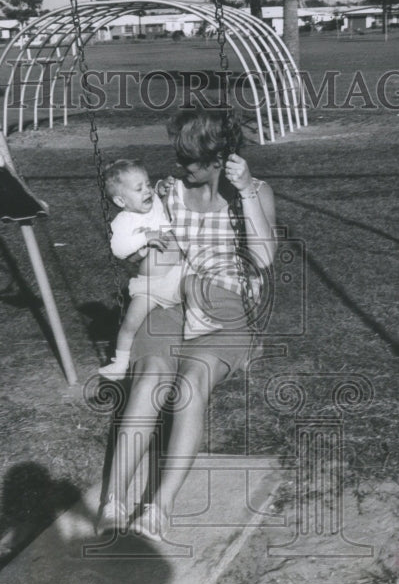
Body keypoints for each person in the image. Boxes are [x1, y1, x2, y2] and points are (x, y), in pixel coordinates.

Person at [97, 109, 278, 540]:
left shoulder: (253, 192)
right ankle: (113, 501)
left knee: (191, 384)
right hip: (172, 300)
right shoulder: (166, 191)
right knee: (149, 382)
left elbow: (265, 258)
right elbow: (134, 241)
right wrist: (146, 254)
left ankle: (159, 509)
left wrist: (246, 189)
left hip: (225, 309)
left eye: (189, 161)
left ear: (217, 159)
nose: (180, 168)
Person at [98, 160, 184, 380]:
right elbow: (117, 249)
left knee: (197, 298)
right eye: (139, 189)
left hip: (178, 273)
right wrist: (146, 237)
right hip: (149, 286)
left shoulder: (154, 202)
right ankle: (120, 363)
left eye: (146, 184)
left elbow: (159, 195)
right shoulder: (122, 222)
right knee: (130, 324)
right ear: (120, 200)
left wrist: (162, 186)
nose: (146, 191)